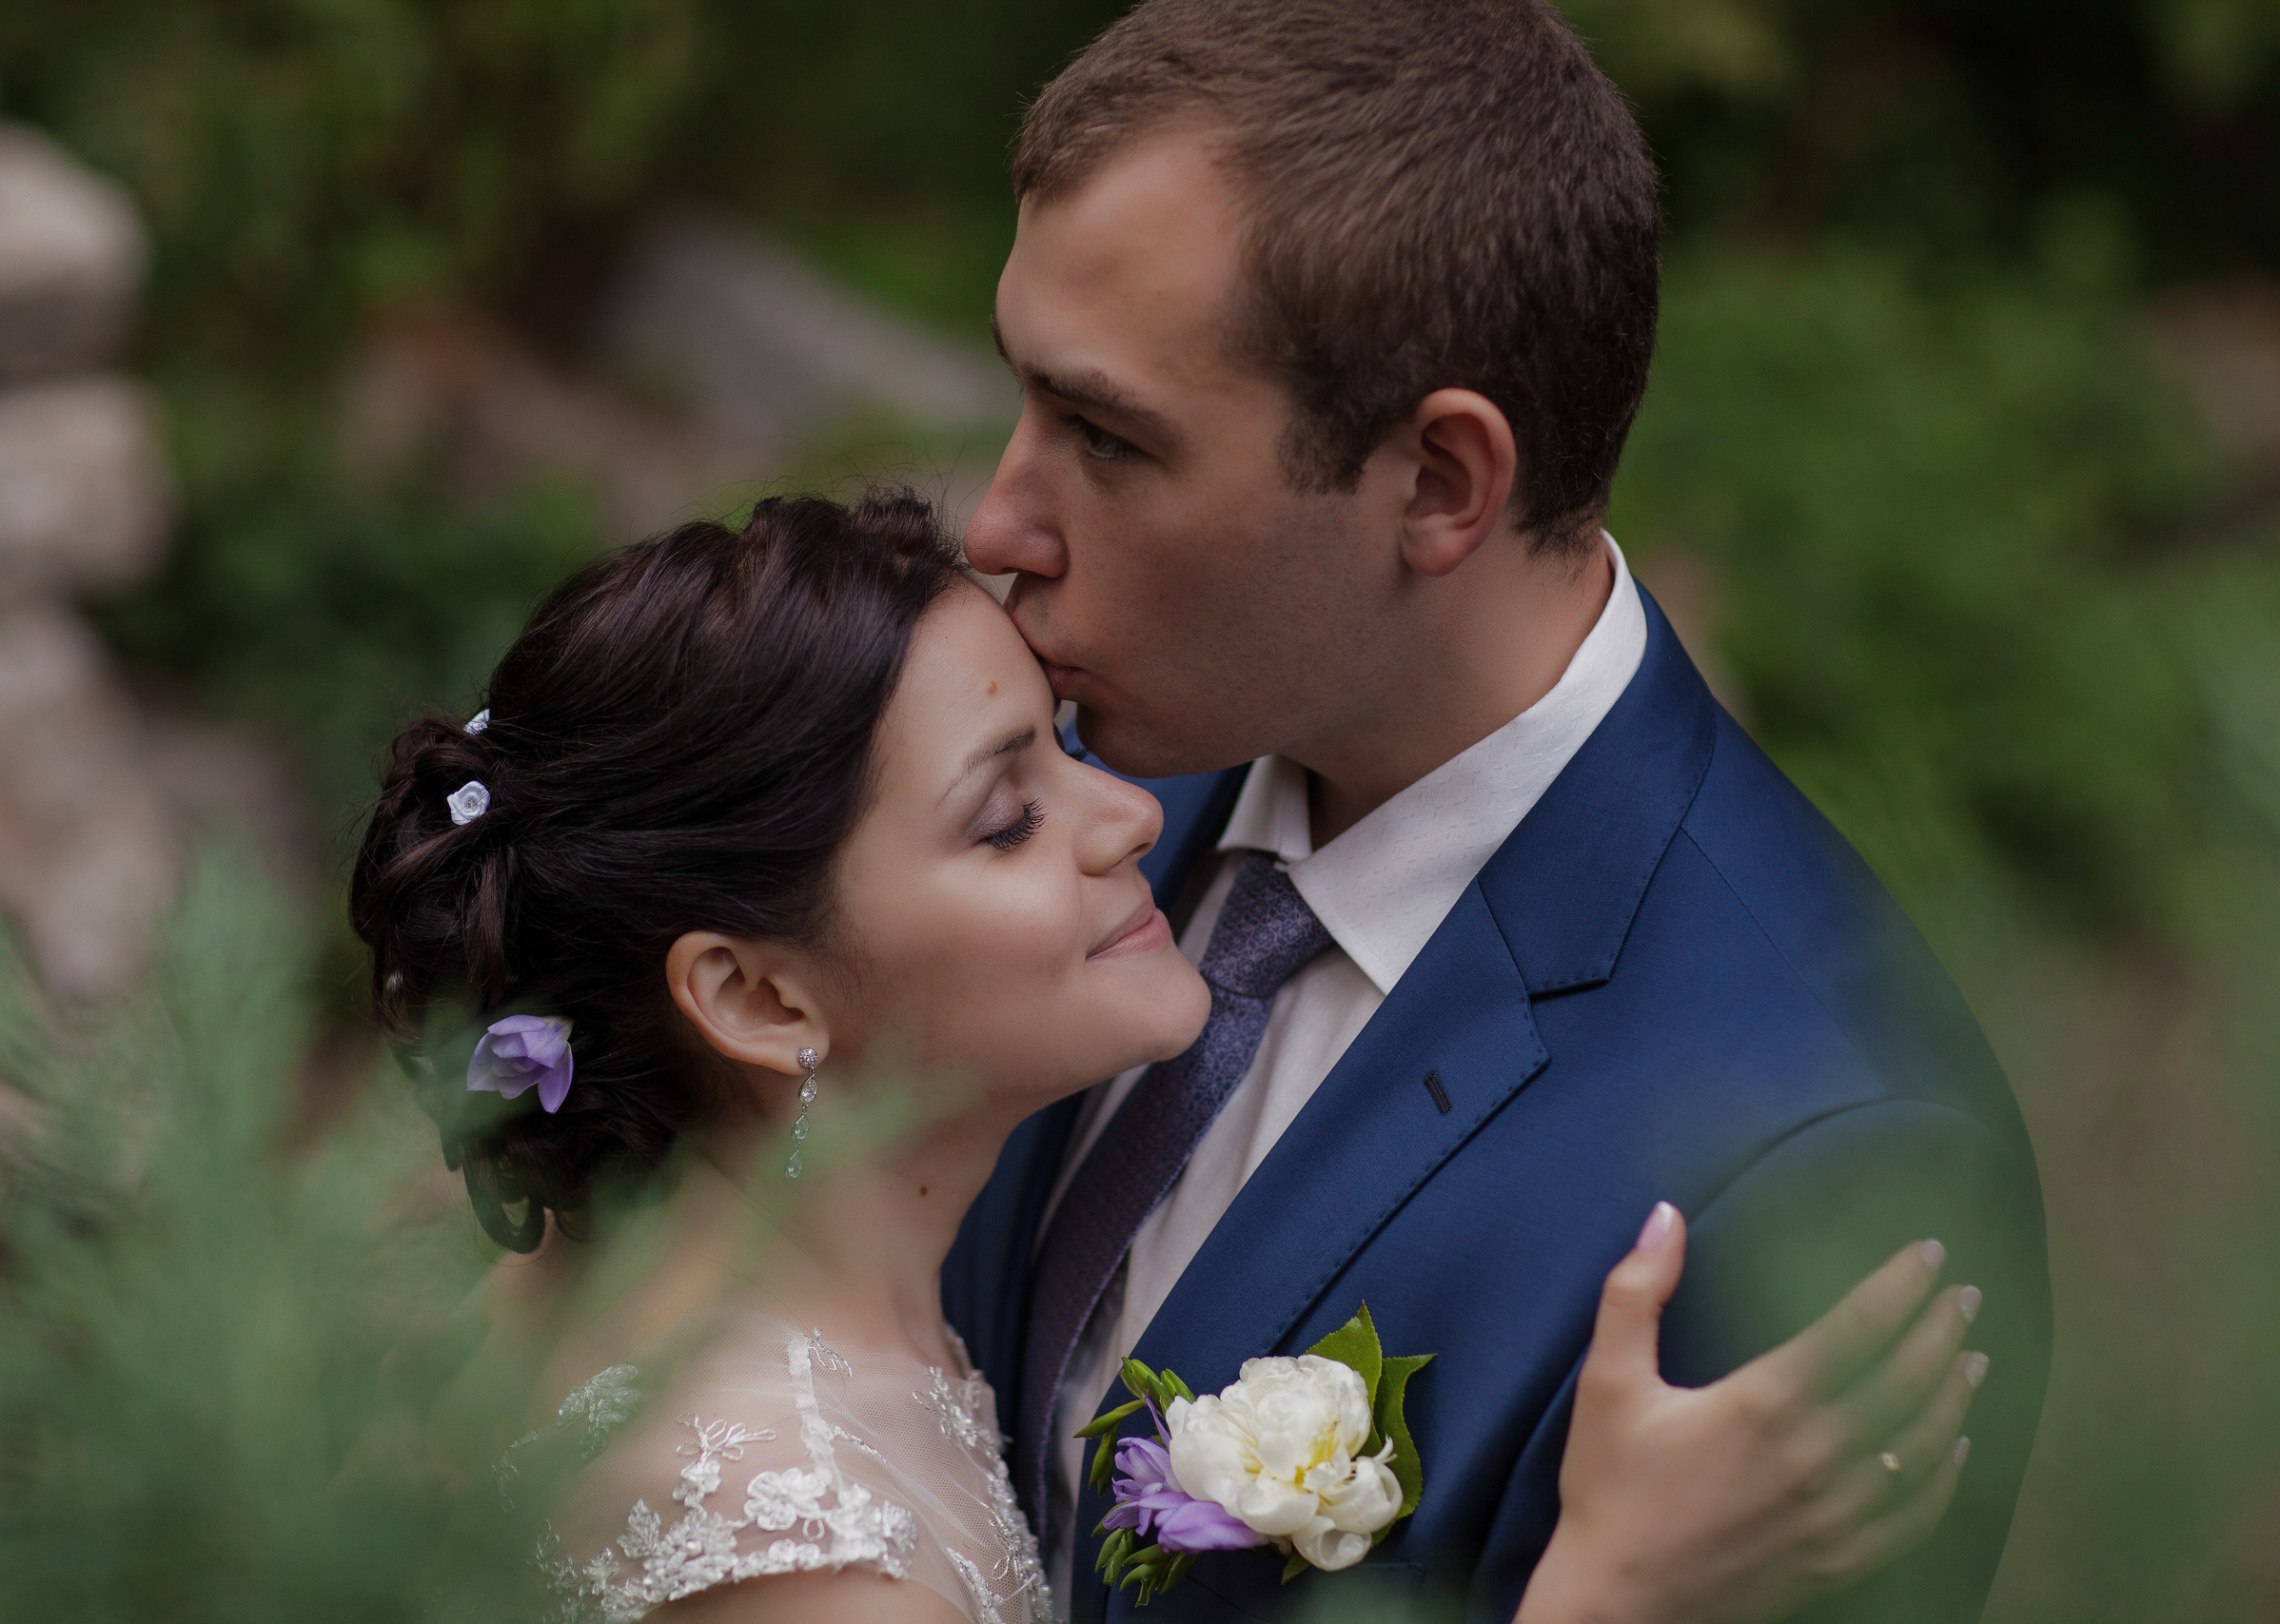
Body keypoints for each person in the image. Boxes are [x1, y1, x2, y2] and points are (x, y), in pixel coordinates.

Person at [351, 494, 1988, 1624]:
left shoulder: (610, 1267)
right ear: (761, 1000)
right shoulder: (811, 1566)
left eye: (1060, 752)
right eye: (1006, 817)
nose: (1134, 813)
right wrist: (1607, 1597)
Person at [941, 1, 2051, 1620]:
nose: (999, 519)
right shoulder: (1069, 778)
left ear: (1443, 484)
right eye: (1023, 398)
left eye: (1106, 436)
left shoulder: (1818, 1169)